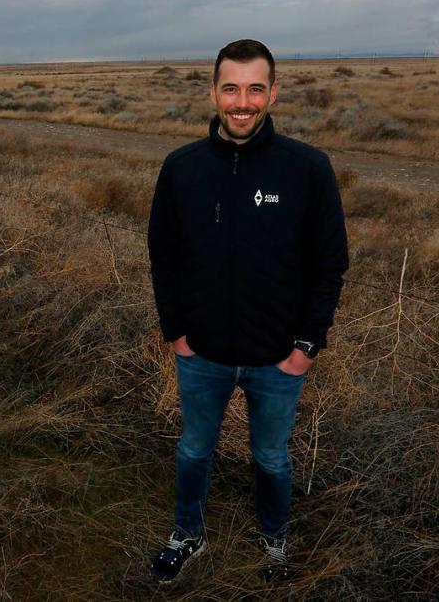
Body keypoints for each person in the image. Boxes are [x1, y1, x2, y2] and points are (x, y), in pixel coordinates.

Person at [147, 39, 349, 583]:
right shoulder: (181, 168)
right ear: (213, 93)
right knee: (193, 450)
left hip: (277, 358)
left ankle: (274, 543)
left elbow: (330, 266)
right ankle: (187, 535)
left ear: (273, 93)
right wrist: (177, 334)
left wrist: (306, 347)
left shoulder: (306, 168)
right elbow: (162, 256)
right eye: (231, 88)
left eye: (255, 89)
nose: (242, 102)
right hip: (201, 354)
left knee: (271, 458)